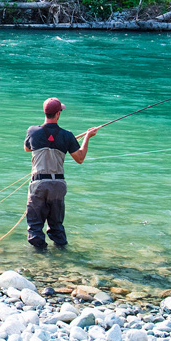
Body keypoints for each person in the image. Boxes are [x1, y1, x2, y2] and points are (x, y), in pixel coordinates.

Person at [23, 97, 98, 250]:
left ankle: (40, 258)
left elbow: (27, 148)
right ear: (58, 114)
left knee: (35, 226)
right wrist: (87, 137)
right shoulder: (67, 135)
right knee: (56, 225)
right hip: (58, 185)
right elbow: (80, 158)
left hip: (38, 183)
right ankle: (62, 257)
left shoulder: (32, 131)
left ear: (45, 112)